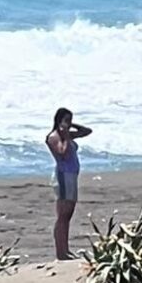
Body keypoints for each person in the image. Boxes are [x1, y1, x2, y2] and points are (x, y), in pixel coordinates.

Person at [45, 108, 91, 261]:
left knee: (68, 214)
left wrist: (71, 126)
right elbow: (62, 152)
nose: (68, 123)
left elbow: (86, 131)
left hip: (71, 176)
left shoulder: (66, 134)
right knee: (63, 215)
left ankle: (66, 250)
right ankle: (61, 252)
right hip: (64, 176)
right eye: (66, 120)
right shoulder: (54, 137)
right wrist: (64, 134)